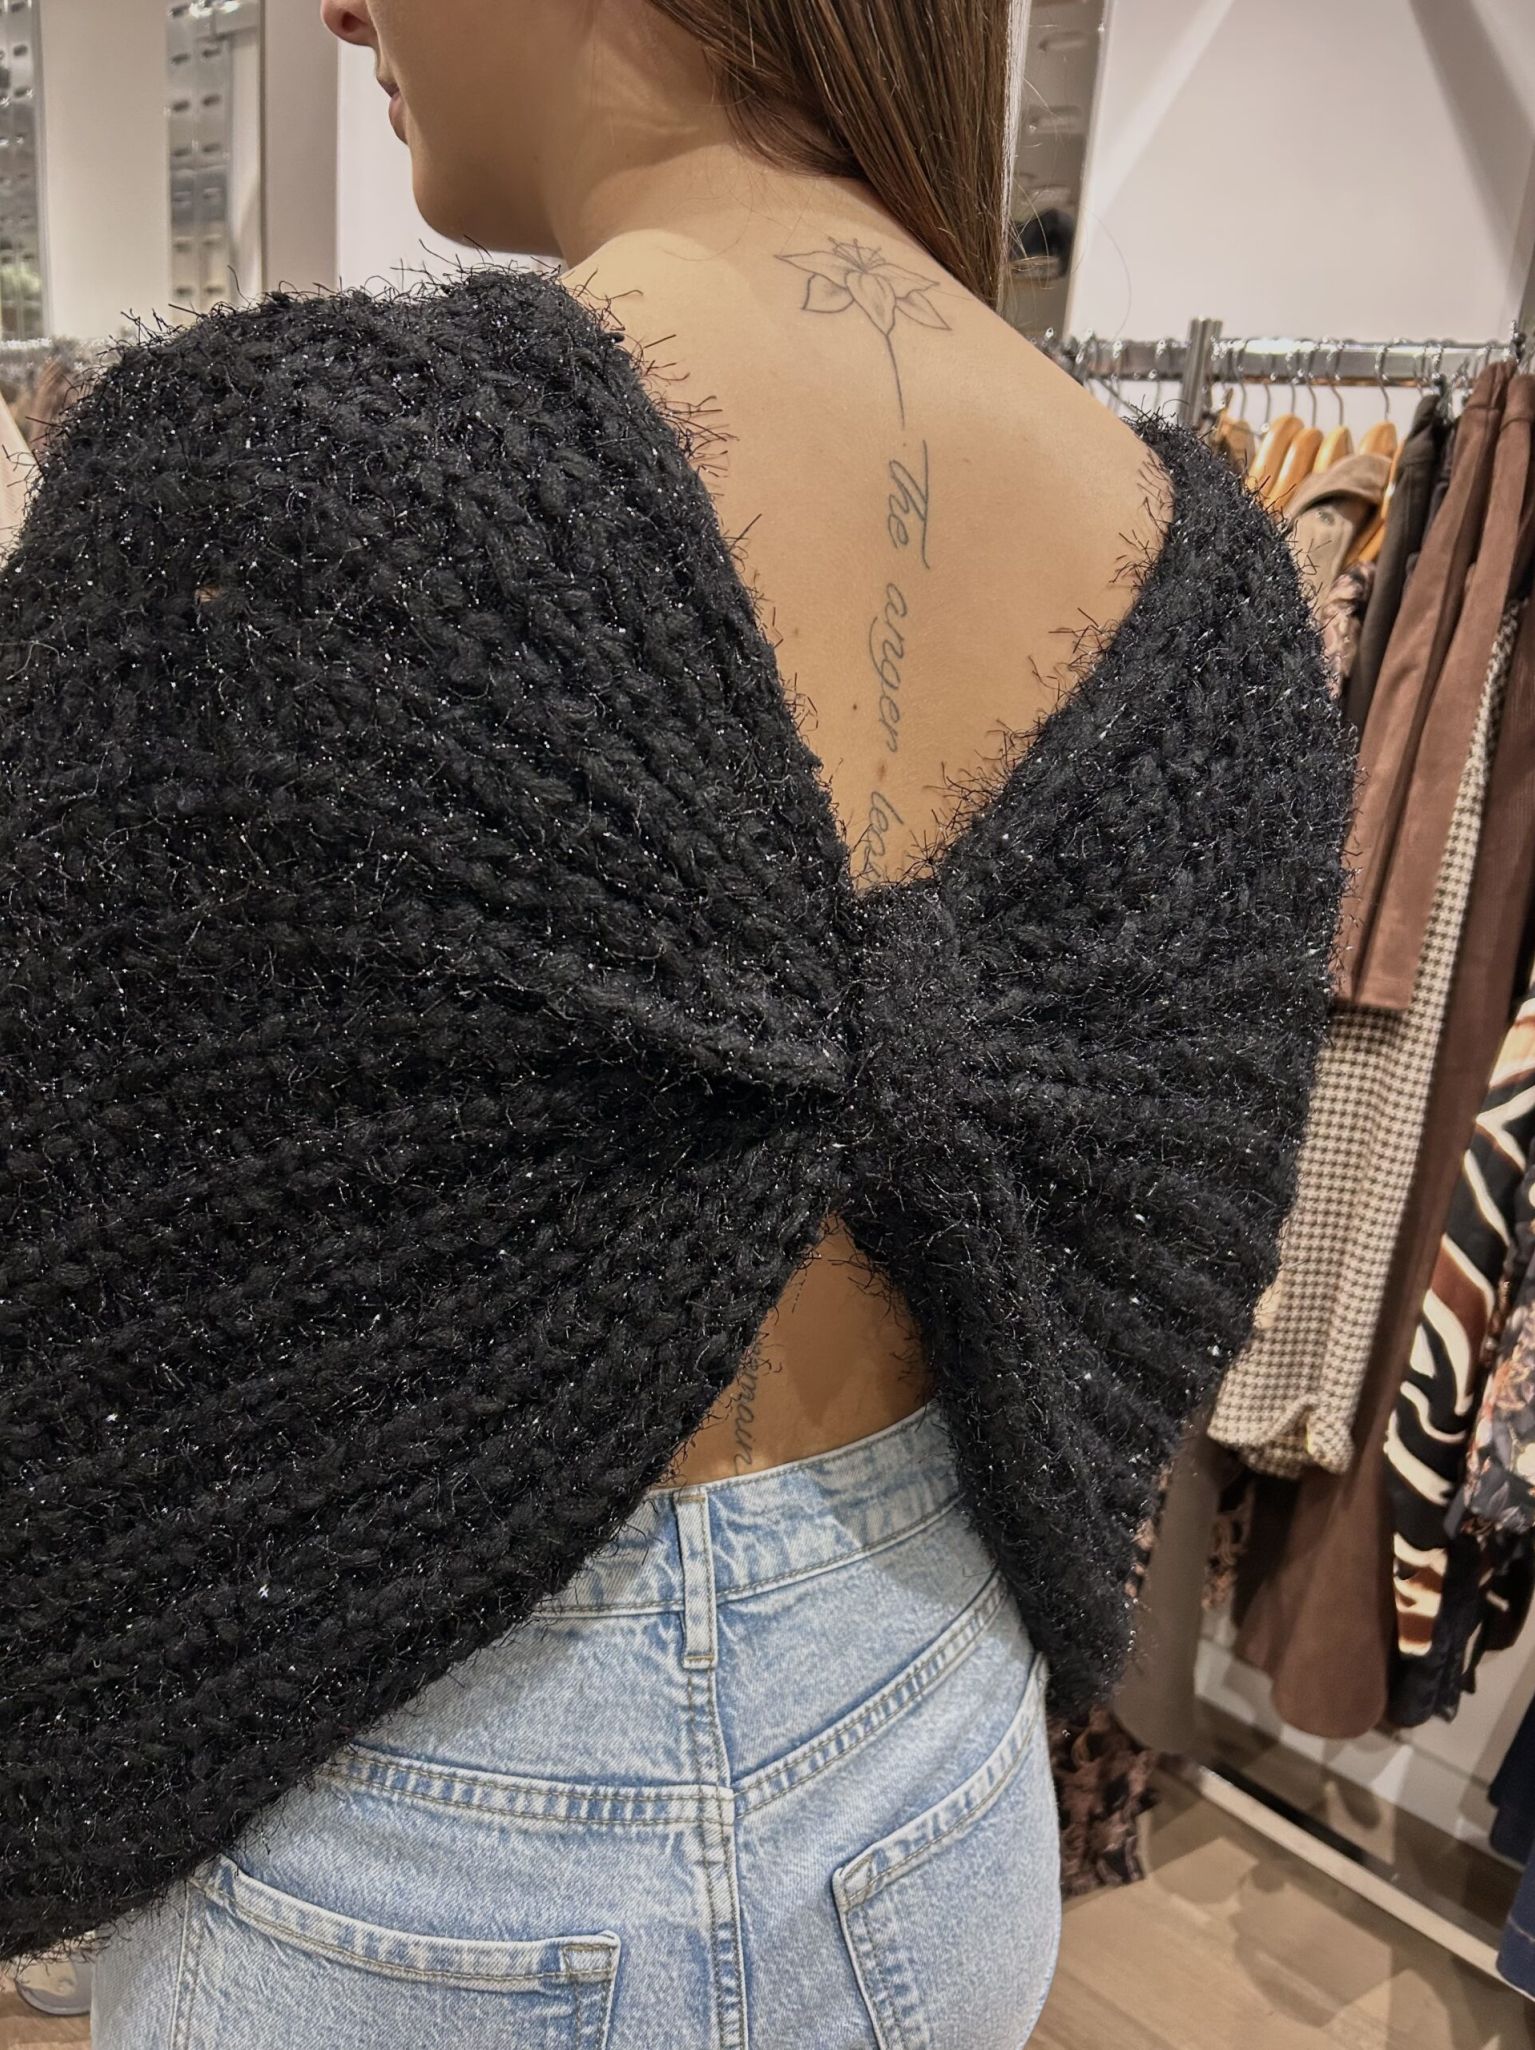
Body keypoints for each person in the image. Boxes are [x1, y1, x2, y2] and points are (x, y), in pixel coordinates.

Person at [0, 0, 1351, 2043]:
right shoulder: (1221, 590)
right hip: (937, 1780)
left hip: (409, 1842)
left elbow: (79, 1264)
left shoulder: (271, 489)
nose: (341, 8)